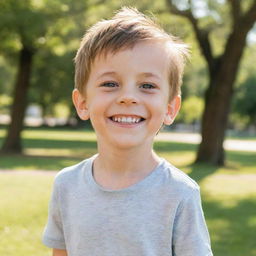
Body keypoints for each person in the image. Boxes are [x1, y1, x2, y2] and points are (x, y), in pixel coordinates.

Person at [42, 7, 213, 256]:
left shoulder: (180, 193)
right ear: (82, 103)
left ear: (170, 108)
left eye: (147, 85)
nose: (128, 97)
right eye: (110, 84)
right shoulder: (66, 185)